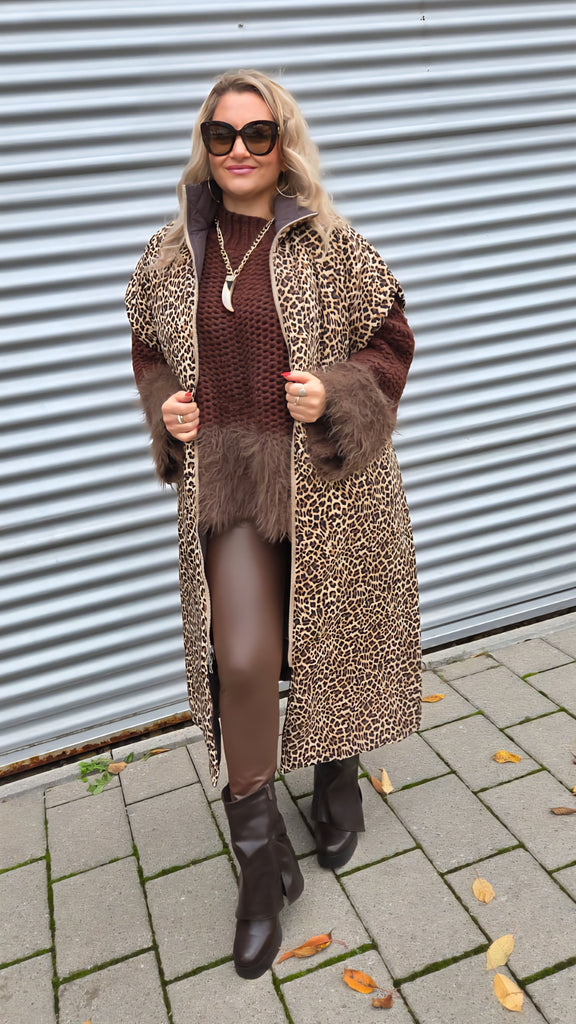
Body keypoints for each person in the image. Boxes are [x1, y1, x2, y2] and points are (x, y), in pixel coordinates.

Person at [125, 69, 421, 980]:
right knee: (245, 659)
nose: (240, 151)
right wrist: (167, 407)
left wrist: (336, 391)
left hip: (328, 487)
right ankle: (262, 872)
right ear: (205, 145)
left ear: (282, 141)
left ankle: (336, 778)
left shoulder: (329, 243)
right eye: (222, 135)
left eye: (258, 134)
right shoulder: (170, 254)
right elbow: (146, 346)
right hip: (228, 485)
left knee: (332, 639)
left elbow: (393, 336)